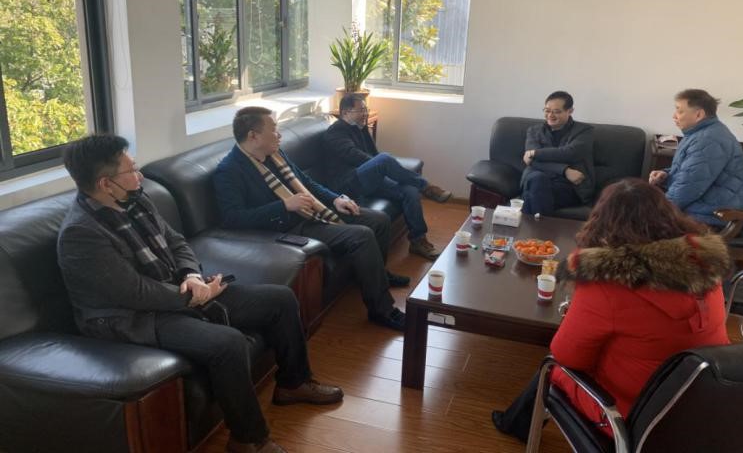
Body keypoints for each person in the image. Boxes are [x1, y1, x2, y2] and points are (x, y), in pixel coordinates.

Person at [57, 135, 343, 453]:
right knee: (227, 343)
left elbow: (177, 241)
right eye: (132, 170)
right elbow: (134, 293)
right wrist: (193, 297)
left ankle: (293, 384)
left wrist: (191, 276)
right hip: (129, 318)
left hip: (176, 290)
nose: (140, 176)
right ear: (106, 184)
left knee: (279, 300)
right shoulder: (81, 234)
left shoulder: (135, 200)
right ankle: (248, 440)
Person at [492, 178, 730, 442]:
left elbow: (567, 357)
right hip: (704, 403)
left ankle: (517, 427)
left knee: (551, 367)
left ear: (603, 224)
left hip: (635, 417)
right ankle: (514, 422)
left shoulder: (608, 284)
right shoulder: (705, 266)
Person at [213, 106, 407, 331]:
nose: (279, 134)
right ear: (253, 136)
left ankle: (377, 275)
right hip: (288, 228)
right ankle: (382, 310)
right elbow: (233, 218)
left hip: (311, 209)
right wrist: (284, 206)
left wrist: (335, 199)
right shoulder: (229, 170)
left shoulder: (275, 154)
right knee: (361, 236)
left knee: (379, 220)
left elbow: (306, 183)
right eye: (273, 129)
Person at [322, 94, 452, 261]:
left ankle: (418, 241)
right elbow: (354, 156)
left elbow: (373, 154)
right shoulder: (336, 132)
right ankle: (427, 187)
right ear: (346, 112)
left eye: (365, 109)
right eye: (361, 110)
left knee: (410, 190)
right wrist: (377, 166)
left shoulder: (360, 128)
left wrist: (377, 165)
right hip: (347, 184)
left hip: (365, 179)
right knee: (384, 159)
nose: (365, 113)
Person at [649, 88, 743, 226]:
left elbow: (687, 188)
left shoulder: (709, 140)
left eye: (679, 111)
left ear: (699, 115)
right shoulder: (701, 133)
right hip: (699, 208)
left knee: (636, 220)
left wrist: (655, 212)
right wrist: (666, 174)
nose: (674, 116)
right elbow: (691, 173)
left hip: (711, 217)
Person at [521, 90, 595, 216]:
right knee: (537, 180)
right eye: (547, 110)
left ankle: (531, 227)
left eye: (556, 111)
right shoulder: (534, 131)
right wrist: (565, 170)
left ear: (570, 111)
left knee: (532, 195)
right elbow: (530, 160)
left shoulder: (584, 131)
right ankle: (542, 228)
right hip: (537, 179)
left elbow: (570, 153)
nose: (550, 115)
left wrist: (535, 153)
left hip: (568, 186)